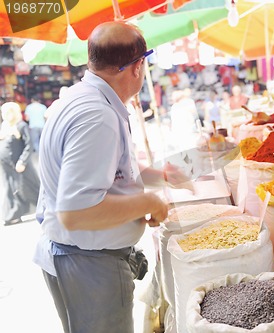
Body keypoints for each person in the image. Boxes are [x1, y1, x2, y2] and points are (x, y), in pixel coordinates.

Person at [33, 22, 188, 333]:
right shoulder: (96, 115)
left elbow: (107, 175)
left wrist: (158, 177)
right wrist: (148, 201)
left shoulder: (87, 97)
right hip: (87, 262)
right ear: (136, 66)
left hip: (83, 258)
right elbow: (76, 212)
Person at [0, 101, 40, 226]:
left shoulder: (21, 126)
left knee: (29, 187)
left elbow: (29, 145)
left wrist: (22, 161)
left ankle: (44, 208)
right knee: (10, 189)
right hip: (7, 165)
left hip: (20, 165)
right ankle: (12, 214)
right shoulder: (5, 126)